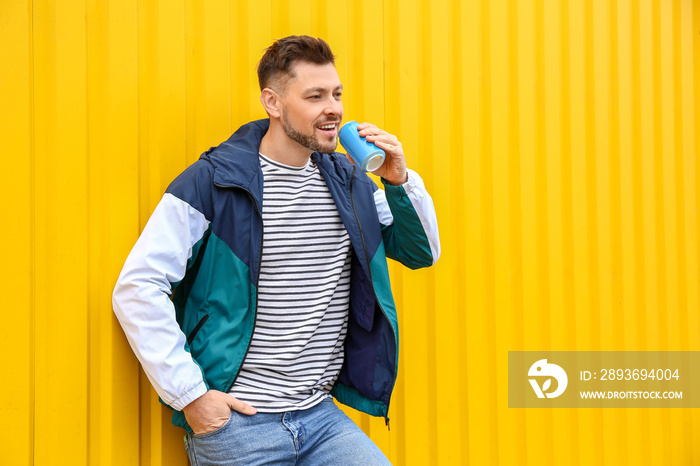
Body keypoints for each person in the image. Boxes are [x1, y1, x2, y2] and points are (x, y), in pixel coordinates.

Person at [112, 35, 440, 465]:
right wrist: (192, 397)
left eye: (337, 94)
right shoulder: (213, 181)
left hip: (321, 418)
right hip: (239, 425)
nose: (334, 109)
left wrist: (399, 180)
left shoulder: (350, 181)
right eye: (315, 96)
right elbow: (138, 286)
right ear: (273, 102)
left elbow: (419, 252)